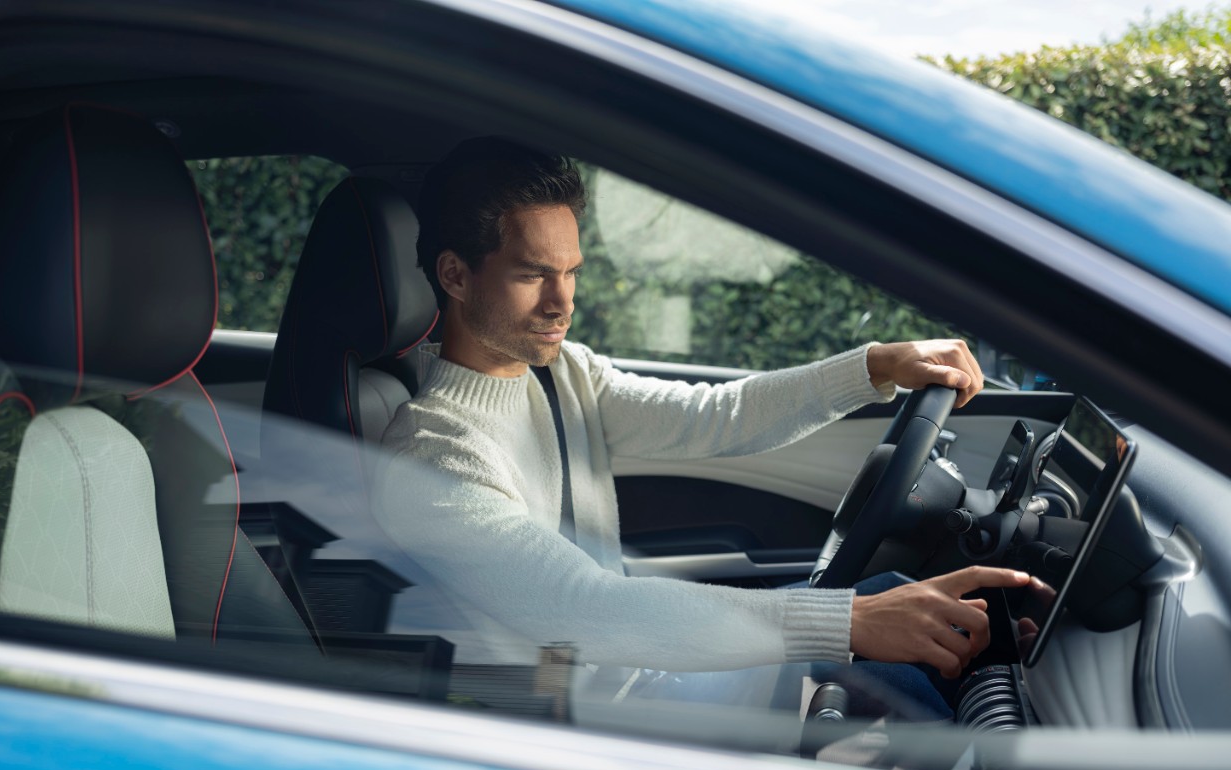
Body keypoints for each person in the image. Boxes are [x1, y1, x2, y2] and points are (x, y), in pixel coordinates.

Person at [379, 137, 1029, 681]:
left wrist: (876, 365)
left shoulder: (559, 374)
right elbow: (582, 608)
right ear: (456, 276)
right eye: (532, 275)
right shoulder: (433, 456)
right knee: (904, 662)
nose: (562, 302)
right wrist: (851, 623)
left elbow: (717, 417)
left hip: (646, 673)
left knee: (959, 631)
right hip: (587, 730)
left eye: (572, 272)